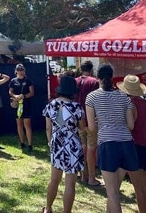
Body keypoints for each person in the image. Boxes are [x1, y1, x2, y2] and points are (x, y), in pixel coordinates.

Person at [85, 64, 138, 213]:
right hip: (127, 144)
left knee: (112, 193)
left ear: (98, 77)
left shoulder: (92, 97)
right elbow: (131, 125)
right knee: (114, 190)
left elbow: (92, 128)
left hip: (108, 144)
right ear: (113, 76)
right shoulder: (123, 96)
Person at [42, 76, 85, 213]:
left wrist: (50, 142)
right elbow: (82, 127)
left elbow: (48, 128)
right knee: (70, 184)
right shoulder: (77, 107)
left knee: (54, 180)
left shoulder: (51, 105)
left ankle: (48, 208)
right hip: (73, 145)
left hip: (57, 144)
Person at [117, 74, 146, 213]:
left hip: (136, 147)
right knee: (144, 185)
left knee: (138, 186)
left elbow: (129, 126)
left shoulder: (131, 105)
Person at [75, 60, 102, 186]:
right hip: (90, 118)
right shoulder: (94, 82)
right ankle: (91, 178)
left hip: (78, 118)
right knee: (91, 149)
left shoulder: (75, 81)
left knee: (82, 147)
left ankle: (82, 175)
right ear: (91, 69)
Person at [9, 63, 35, 152]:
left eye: (22, 70)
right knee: (19, 124)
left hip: (26, 104)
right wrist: (15, 96)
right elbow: (10, 91)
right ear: (16, 71)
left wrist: (23, 96)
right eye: (19, 70)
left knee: (27, 124)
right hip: (17, 105)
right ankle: (22, 142)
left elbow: (32, 92)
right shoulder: (13, 81)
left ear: (24, 71)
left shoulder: (28, 80)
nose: (20, 72)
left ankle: (30, 144)